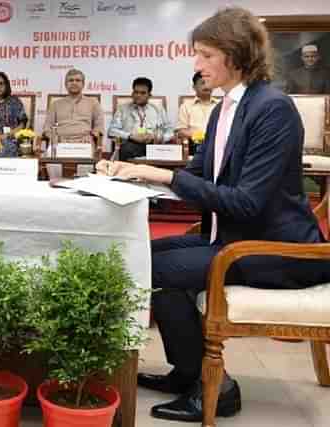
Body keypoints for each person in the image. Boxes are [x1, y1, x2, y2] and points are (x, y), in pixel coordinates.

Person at [97, 7, 330, 422]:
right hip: (231, 238)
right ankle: (188, 373)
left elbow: (246, 202)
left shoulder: (272, 109)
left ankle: (216, 387)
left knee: (157, 270)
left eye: (205, 54)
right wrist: (132, 177)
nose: (196, 64)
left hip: (277, 249)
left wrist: (161, 178)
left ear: (236, 54)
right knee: (147, 257)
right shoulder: (227, 107)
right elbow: (199, 175)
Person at [107, 77, 173, 161]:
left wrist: (157, 137)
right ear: (132, 93)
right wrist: (131, 136)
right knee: (126, 149)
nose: (138, 95)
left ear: (149, 95)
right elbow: (112, 131)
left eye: (143, 93)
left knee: (167, 150)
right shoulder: (122, 109)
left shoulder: (158, 109)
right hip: (131, 144)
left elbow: (170, 131)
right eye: (136, 92)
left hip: (153, 145)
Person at [42, 68, 104, 144]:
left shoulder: (93, 102)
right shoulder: (56, 104)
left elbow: (99, 126)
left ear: (83, 84)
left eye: (78, 80)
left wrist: (92, 136)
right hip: (60, 142)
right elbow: (47, 127)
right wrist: (53, 138)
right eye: (71, 80)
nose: (74, 83)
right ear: (65, 84)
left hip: (84, 142)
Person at [176, 72, 218, 152]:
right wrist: (200, 136)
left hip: (216, 146)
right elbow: (181, 131)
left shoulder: (220, 105)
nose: (206, 86)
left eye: (209, 83)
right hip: (194, 145)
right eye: (202, 83)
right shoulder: (186, 106)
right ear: (194, 87)